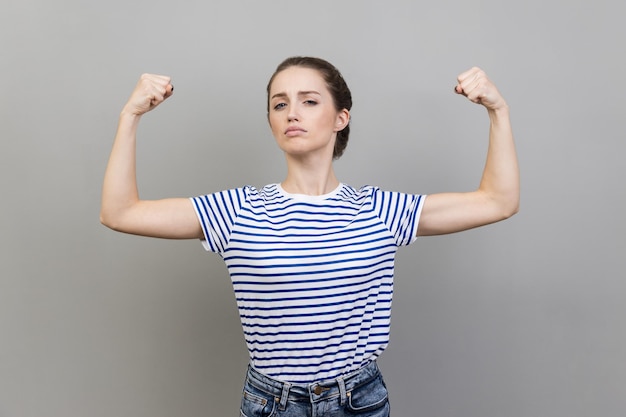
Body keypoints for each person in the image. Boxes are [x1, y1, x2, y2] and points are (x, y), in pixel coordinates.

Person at [101, 56, 519, 417]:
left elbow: (498, 201)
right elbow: (120, 212)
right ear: (270, 121)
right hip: (272, 403)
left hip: (359, 401)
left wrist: (497, 110)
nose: (291, 113)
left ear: (341, 117)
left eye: (309, 101)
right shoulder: (236, 211)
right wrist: (129, 116)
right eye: (279, 104)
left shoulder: (380, 211)